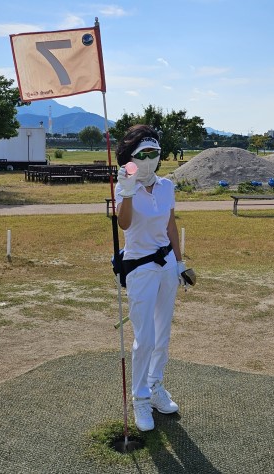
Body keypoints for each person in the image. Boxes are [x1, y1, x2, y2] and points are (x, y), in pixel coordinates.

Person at [115, 124, 187, 431]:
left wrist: (181, 263)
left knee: (162, 335)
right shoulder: (124, 185)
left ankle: (155, 387)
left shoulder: (167, 185)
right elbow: (124, 225)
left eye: (154, 153)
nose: (149, 159)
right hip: (139, 267)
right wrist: (128, 192)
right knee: (143, 338)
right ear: (131, 157)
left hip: (166, 264)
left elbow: (170, 226)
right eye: (143, 153)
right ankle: (140, 399)